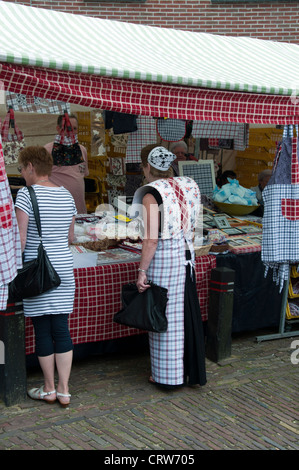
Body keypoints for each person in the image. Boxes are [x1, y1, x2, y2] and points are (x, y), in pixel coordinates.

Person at [131, 144, 206, 389]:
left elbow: (151, 239)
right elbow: (196, 227)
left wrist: (142, 271)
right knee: (184, 315)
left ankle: (167, 376)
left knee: (164, 317)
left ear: (146, 166)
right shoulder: (189, 184)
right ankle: (187, 370)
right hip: (187, 256)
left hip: (165, 259)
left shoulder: (152, 193)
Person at [15, 146, 77, 407]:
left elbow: (20, 240)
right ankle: (64, 390)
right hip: (63, 267)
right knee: (61, 327)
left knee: (42, 329)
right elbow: (71, 237)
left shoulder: (25, 195)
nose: (21, 174)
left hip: (38, 269)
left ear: (30, 166)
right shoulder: (66, 194)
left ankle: (48, 388)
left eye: (20, 168)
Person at [44, 113, 89, 214]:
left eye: (74, 128)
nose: (70, 132)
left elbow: (83, 174)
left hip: (79, 209)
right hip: (58, 209)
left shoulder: (82, 150)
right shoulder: (47, 150)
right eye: (66, 128)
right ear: (58, 128)